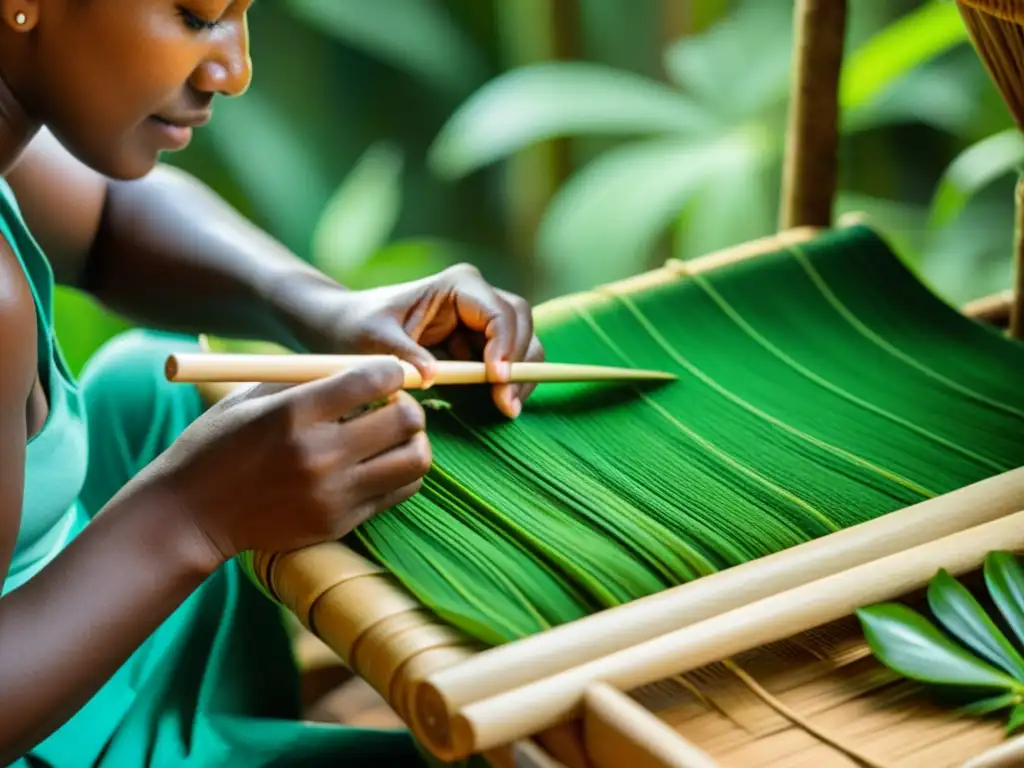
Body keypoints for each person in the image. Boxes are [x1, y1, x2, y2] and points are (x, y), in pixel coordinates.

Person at [0, 1, 543, 766]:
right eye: (198, 16)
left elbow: (104, 219)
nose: (235, 68)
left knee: (148, 392)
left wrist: (326, 308)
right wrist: (193, 514)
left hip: (66, 623)